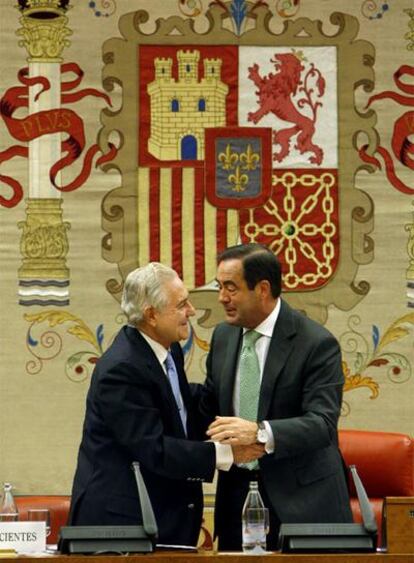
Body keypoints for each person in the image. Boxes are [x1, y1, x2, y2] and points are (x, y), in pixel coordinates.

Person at [67, 262, 263, 546]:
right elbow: (154, 449)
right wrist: (228, 452)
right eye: (181, 304)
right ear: (151, 315)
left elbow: (179, 407)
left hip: (163, 521)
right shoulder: (121, 370)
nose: (192, 311)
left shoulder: (167, 349)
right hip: (121, 528)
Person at [200, 243, 353, 551]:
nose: (222, 298)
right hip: (236, 500)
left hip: (302, 503)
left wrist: (258, 432)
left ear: (263, 288)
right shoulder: (223, 336)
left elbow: (322, 423)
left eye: (231, 288)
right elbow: (210, 404)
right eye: (220, 287)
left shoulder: (316, 343)